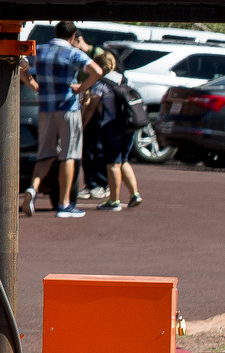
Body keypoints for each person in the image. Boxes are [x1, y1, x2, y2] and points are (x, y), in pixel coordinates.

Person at [20, 21, 101, 219]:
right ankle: (64, 203)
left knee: (45, 153)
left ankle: (33, 188)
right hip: (68, 107)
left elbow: (22, 68)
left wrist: (35, 86)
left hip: (46, 108)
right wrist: (82, 88)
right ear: (72, 37)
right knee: (69, 154)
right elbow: (97, 71)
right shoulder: (73, 53)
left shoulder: (39, 50)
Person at [92, 50, 146, 212]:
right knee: (123, 160)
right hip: (128, 125)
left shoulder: (100, 84)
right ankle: (134, 194)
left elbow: (94, 106)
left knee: (113, 163)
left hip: (111, 126)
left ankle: (114, 200)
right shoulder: (125, 80)